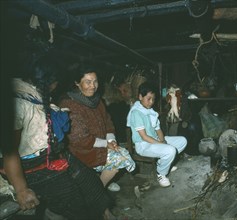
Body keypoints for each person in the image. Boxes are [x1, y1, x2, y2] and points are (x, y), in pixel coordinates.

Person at [0, 54, 115, 220]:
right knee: (72, 198)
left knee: (90, 181)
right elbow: (9, 152)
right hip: (29, 165)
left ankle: (105, 214)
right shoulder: (18, 103)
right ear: (48, 80)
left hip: (52, 154)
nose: (57, 85)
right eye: (55, 81)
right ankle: (53, 215)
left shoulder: (37, 96)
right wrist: (21, 189)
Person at [59, 64, 135, 192]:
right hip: (82, 151)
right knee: (120, 160)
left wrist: (111, 140)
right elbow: (80, 139)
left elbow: (107, 122)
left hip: (100, 145)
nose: (93, 86)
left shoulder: (97, 101)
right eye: (87, 82)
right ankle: (96, 191)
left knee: (120, 153)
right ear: (77, 83)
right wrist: (106, 144)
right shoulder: (69, 104)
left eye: (95, 81)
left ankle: (103, 179)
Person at [127, 82, 187, 187]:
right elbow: (144, 136)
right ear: (140, 97)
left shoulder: (150, 111)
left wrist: (163, 140)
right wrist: (161, 144)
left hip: (154, 140)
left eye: (153, 99)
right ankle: (161, 173)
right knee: (170, 150)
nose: (151, 102)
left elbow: (158, 130)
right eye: (148, 98)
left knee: (182, 141)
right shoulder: (136, 113)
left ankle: (164, 164)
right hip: (143, 145)